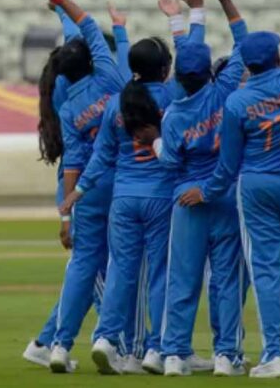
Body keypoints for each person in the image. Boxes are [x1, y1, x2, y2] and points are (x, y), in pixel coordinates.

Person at [179, 0, 280, 378]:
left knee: (266, 269)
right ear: (276, 57)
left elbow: (228, 165)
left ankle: (273, 354)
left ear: (250, 64)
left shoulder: (238, 101)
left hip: (257, 185)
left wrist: (207, 191)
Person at [14, 0, 131, 374]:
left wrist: (66, 211)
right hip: (117, 180)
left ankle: (53, 344)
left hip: (79, 187)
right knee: (109, 270)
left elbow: (74, 162)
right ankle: (113, 341)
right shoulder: (109, 78)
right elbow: (87, 29)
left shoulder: (63, 99)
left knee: (85, 268)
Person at [136, 0, 249, 377]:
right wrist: (215, 4)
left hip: (187, 198)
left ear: (178, 78)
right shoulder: (225, 90)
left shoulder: (173, 115)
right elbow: (243, 43)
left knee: (182, 279)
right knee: (227, 280)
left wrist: (154, 144)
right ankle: (226, 355)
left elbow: (168, 163)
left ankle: (173, 354)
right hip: (224, 193)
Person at [63, 19, 178, 376]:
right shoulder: (173, 98)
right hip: (160, 196)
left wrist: (78, 191)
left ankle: (107, 337)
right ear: (164, 69)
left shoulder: (116, 103)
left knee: (120, 271)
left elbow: (101, 155)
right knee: (159, 273)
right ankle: (155, 348)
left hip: (123, 198)